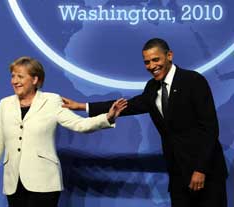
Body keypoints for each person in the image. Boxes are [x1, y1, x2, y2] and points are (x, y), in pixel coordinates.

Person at [62, 38, 228, 207]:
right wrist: (82, 106)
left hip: (206, 173)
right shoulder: (152, 87)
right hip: (178, 174)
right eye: (147, 62)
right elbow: (128, 106)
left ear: (169, 56)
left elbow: (210, 129)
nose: (151, 66)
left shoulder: (193, 81)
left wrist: (200, 169)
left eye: (156, 59)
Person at [0, 56, 127, 207]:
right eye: (13, 76)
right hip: (14, 183)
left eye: (20, 76)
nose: (14, 81)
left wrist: (107, 117)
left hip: (44, 182)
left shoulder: (51, 101)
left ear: (35, 80)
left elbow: (80, 125)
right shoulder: (5, 104)